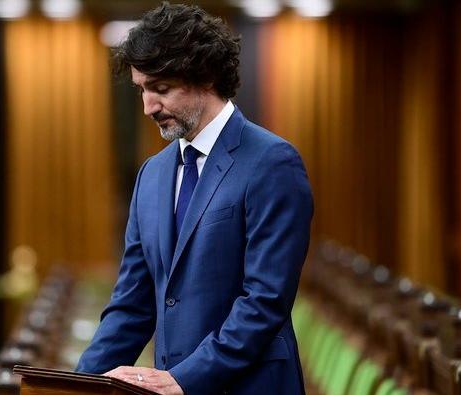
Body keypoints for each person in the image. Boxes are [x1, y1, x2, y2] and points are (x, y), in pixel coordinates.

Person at [76, 3, 313, 395]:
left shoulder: (272, 162)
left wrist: (184, 378)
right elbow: (132, 306)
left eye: (161, 89)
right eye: (142, 90)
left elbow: (264, 301)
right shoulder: (151, 175)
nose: (149, 107)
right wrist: (78, 386)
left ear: (203, 76)